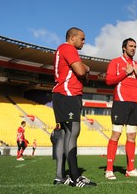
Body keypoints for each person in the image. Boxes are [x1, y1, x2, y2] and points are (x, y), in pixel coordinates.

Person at [52, 27, 96, 187]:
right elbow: (80, 71)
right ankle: (75, 177)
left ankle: (60, 177)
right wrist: (85, 67)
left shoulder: (64, 50)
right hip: (68, 95)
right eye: (82, 39)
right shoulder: (68, 48)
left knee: (64, 135)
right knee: (73, 132)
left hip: (62, 95)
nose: (84, 41)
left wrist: (85, 69)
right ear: (72, 37)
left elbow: (85, 79)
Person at [104, 38, 137, 180]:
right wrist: (125, 72)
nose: (133, 48)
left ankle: (130, 169)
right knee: (116, 134)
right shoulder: (115, 62)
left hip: (134, 104)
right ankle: (109, 169)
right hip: (121, 103)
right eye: (131, 46)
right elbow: (109, 81)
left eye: (135, 46)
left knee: (132, 136)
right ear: (124, 48)